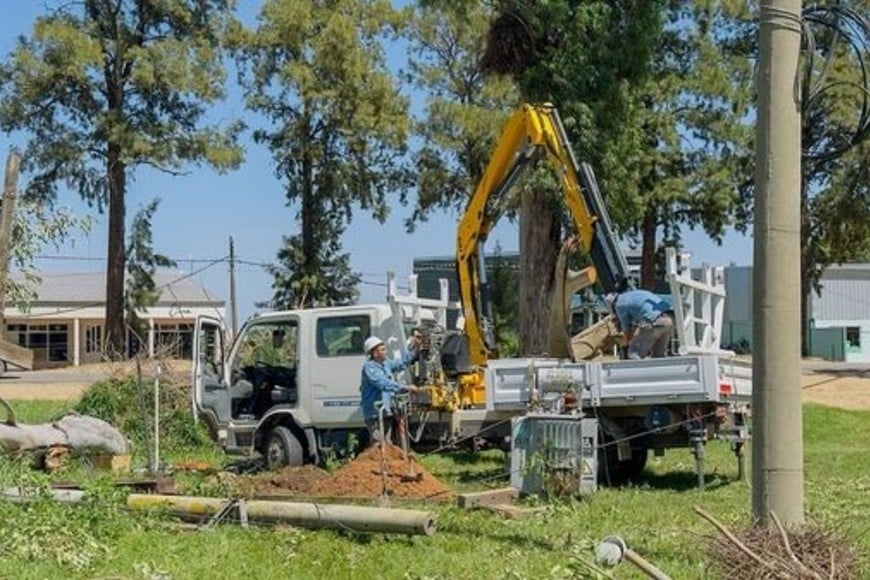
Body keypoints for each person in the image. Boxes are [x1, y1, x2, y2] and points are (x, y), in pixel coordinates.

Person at [359, 332, 423, 444]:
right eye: (383, 349)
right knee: (378, 443)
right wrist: (406, 388)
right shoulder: (369, 367)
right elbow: (383, 383)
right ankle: (378, 461)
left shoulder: (386, 363)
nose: (386, 351)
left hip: (386, 411)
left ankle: (387, 461)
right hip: (375, 413)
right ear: (375, 353)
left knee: (387, 443)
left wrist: (415, 349)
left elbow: (402, 363)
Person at [606, 285, 675, 360]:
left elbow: (626, 330)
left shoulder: (619, 304)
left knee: (633, 354)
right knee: (658, 356)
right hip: (669, 319)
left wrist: (626, 345)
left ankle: (632, 371)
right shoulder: (631, 295)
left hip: (655, 321)